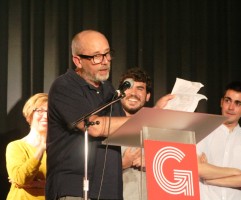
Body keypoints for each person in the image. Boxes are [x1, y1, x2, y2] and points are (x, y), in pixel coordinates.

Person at [46, 30, 172, 200]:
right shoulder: (65, 86)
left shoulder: (109, 90)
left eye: (107, 54)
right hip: (76, 189)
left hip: (109, 189)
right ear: (78, 60)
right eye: (97, 56)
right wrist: (152, 116)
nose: (105, 61)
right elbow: (93, 127)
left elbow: (125, 129)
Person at [196, 81, 241, 200]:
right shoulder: (203, 132)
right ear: (221, 102)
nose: (231, 107)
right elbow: (198, 169)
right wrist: (237, 172)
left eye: (238, 103)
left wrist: (210, 179)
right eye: (228, 100)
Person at [6, 93, 48, 200]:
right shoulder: (15, 146)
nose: (46, 115)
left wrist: (39, 184)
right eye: (40, 111)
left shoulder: (60, 149)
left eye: (50, 111)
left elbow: (68, 181)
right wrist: (41, 148)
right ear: (30, 114)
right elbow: (21, 179)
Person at [119, 68, 151, 200]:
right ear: (120, 93)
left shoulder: (157, 129)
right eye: (129, 87)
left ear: (147, 96)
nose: (133, 93)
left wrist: (153, 163)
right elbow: (91, 171)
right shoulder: (103, 126)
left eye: (140, 88)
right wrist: (123, 163)